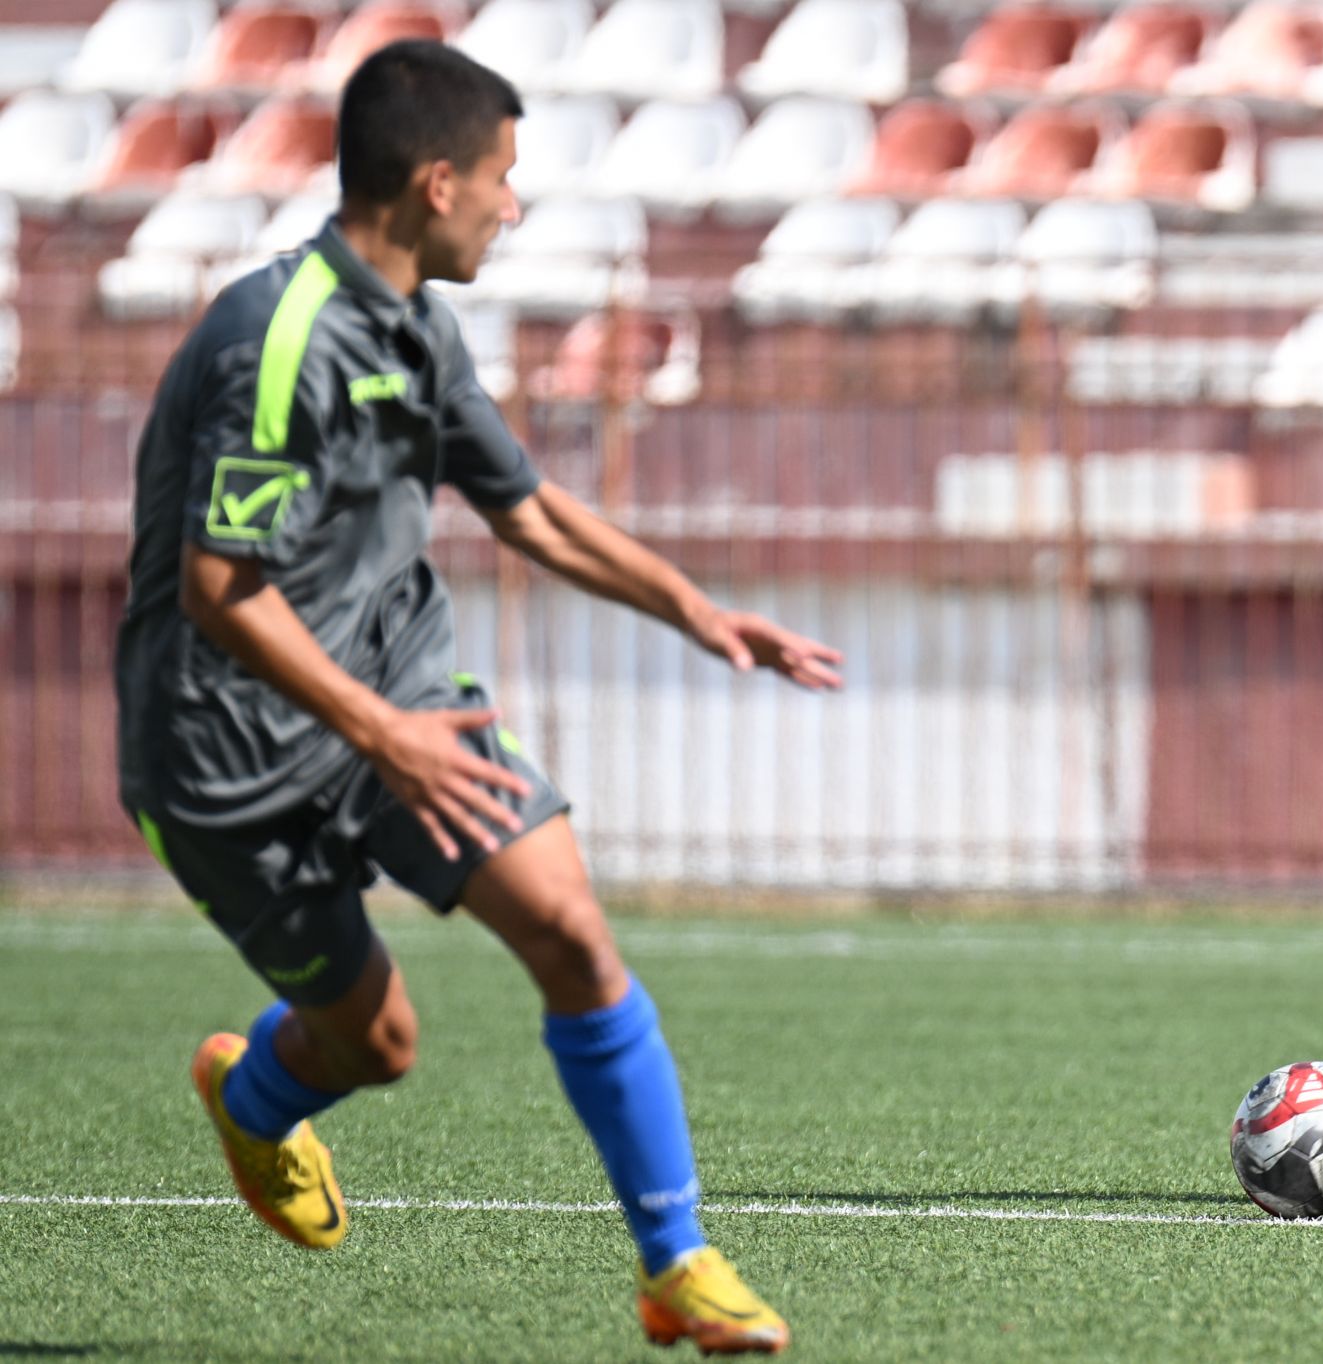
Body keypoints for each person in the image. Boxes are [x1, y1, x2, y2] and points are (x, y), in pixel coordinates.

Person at [115, 40, 839, 1352]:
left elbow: (529, 511)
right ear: (435, 184)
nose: (515, 204)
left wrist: (696, 608)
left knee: (569, 931)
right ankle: (255, 1099)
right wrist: (378, 731)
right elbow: (218, 588)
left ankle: (677, 1264)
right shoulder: (277, 342)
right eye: (502, 177)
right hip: (227, 750)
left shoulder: (420, 330)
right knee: (375, 1043)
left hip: (399, 698)